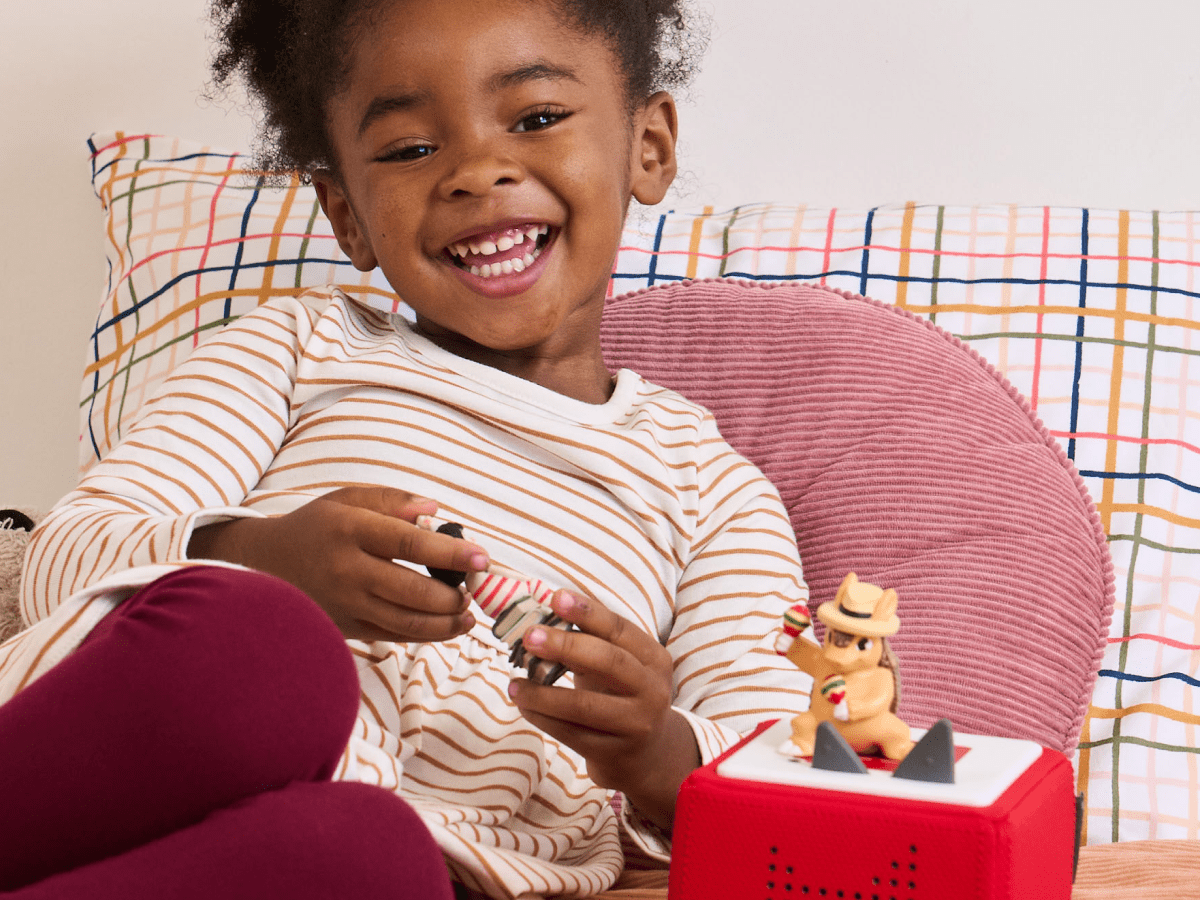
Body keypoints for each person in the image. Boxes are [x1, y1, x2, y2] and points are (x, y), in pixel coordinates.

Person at [1, 0, 809, 897]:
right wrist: (261, 558)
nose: (476, 172)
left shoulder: (710, 489)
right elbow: (61, 561)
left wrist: (652, 748)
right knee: (263, 641)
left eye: (537, 117)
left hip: (421, 860)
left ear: (647, 147)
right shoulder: (298, 347)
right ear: (347, 214)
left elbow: (783, 781)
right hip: (136, 770)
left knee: (365, 851)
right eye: (410, 148)